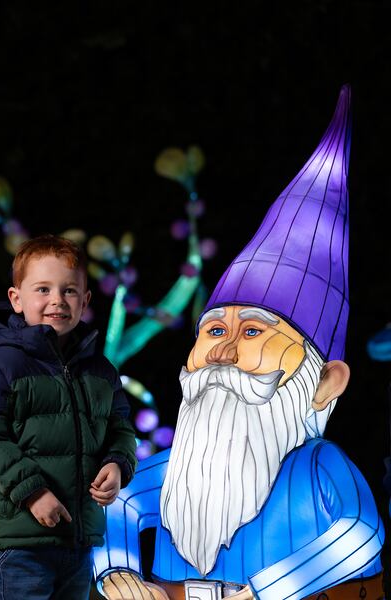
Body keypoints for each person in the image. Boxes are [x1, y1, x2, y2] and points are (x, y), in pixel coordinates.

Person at [94, 86, 385, 600]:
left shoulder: (317, 468)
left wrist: (263, 591)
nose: (223, 352)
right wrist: (116, 572)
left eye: (253, 331)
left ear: (323, 382)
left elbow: (360, 534)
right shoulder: (175, 475)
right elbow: (118, 503)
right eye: (213, 331)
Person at [0, 234, 137, 599]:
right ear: (17, 298)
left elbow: (121, 428)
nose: (57, 300)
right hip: (22, 538)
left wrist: (118, 464)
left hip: (79, 537)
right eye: (43, 289)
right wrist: (32, 492)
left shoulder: (100, 371)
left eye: (69, 291)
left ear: (85, 300)